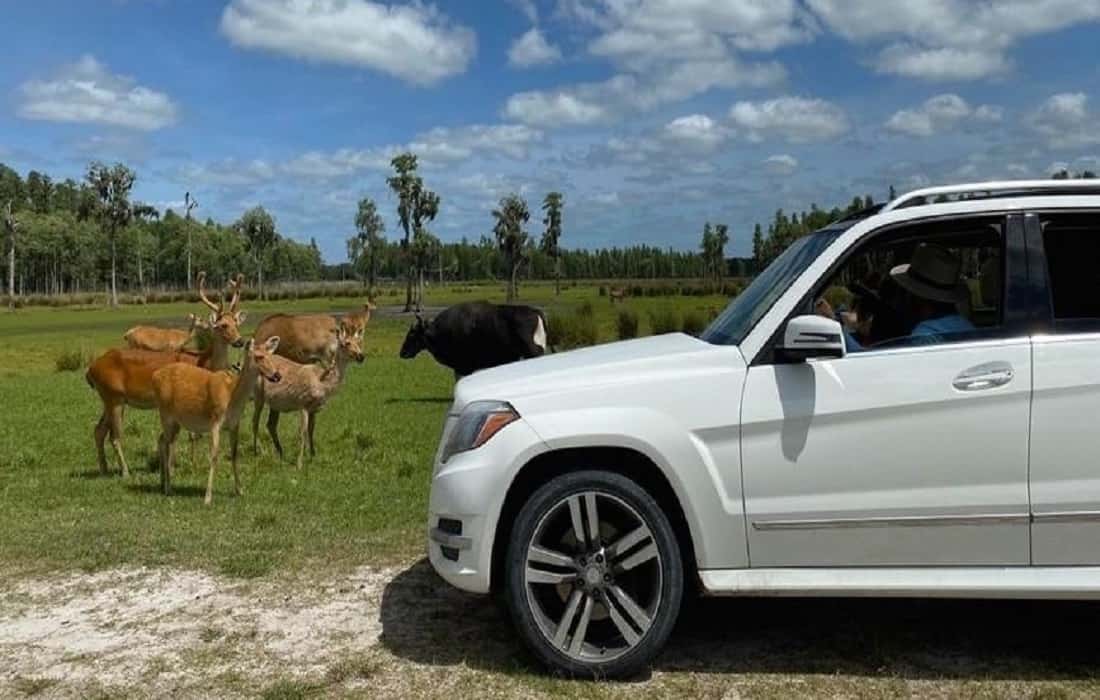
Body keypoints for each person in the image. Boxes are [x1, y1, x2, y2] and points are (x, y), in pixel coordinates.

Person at [817, 243, 975, 352]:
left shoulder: (925, 336)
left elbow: (873, 367)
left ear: (916, 295)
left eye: (905, 290)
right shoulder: (967, 327)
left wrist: (833, 324)